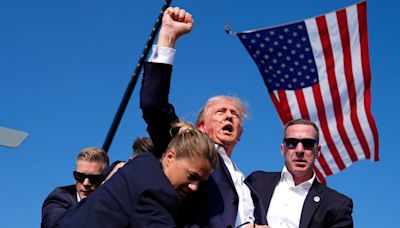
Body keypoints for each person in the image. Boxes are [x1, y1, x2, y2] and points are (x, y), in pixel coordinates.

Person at [140, 7, 267, 227]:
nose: (229, 117)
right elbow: (153, 105)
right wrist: (168, 36)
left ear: (240, 135)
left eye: (234, 115)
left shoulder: (247, 187)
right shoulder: (188, 148)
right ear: (202, 126)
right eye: (221, 112)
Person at [54, 122, 219, 227]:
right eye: (191, 176)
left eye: (201, 182)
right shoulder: (156, 192)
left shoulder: (141, 164)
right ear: (170, 157)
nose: (195, 187)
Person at [246, 119, 353, 228]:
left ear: (318, 151)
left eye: (308, 144)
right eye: (292, 143)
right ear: (283, 149)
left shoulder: (337, 204)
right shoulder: (256, 182)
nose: (300, 150)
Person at [41, 147, 109, 228]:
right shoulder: (58, 199)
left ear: (105, 179)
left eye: (94, 178)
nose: (86, 183)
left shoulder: (112, 203)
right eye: (80, 176)